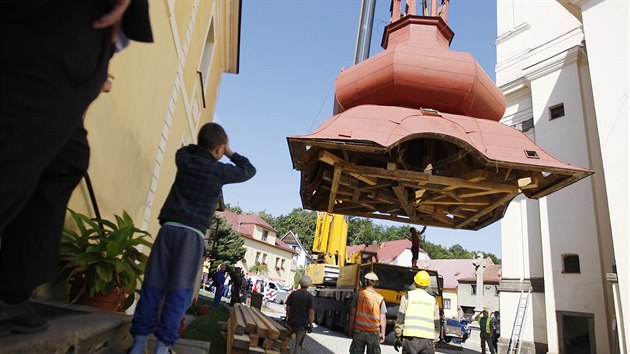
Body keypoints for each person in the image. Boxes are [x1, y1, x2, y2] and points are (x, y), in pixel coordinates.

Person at [0, 0, 153, 336]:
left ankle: (12, 292)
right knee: (13, 152)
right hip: (62, 23)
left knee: (68, 159)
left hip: (78, 39)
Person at [128, 123, 256, 354]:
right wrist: (229, 152)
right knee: (179, 292)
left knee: (153, 286)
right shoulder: (220, 171)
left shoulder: (185, 161)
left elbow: (183, 150)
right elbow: (249, 169)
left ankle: (137, 345)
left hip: (168, 230)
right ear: (219, 149)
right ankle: (161, 347)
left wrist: (205, 144)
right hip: (192, 236)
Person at [393, 270, 440, 354]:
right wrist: (434, 341)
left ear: (415, 281)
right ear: (427, 284)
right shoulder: (433, 300)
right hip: (427, 341)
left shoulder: (407, 296)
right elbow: (436, 323)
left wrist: (398, 336)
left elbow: (400, 318)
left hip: (411, 340)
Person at [348, 272, 387, 354]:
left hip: (359, 331)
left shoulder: (359, 295)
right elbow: (383, 318)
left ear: (365, 282)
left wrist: (350, 328)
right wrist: (383, 333)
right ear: (376, 283)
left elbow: (352, 314)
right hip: (373, 333)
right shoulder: (380, 298)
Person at [285, 275, 314, 354]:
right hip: (302, 325)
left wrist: (288, 317)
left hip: (291, 323)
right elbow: (311, 312)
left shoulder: (293, 294)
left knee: (285, 341)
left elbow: (288, 308)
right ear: (308, 285)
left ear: (300, 283)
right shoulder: (309, 297)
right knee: (298, 345)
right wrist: (311, 324)